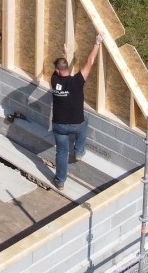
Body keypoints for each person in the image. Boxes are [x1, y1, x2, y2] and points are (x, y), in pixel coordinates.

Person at [50, 34, 103, 190]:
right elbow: (90, 62)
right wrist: (97, 43)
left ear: (57, 71)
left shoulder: (54, 80)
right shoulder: (77, 81)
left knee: (61, 152)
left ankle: (60, 182)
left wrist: (65, 54)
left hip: (59, 125)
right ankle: (79, 152)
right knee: (85, 121)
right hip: (76, 124)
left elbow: (60, 69)